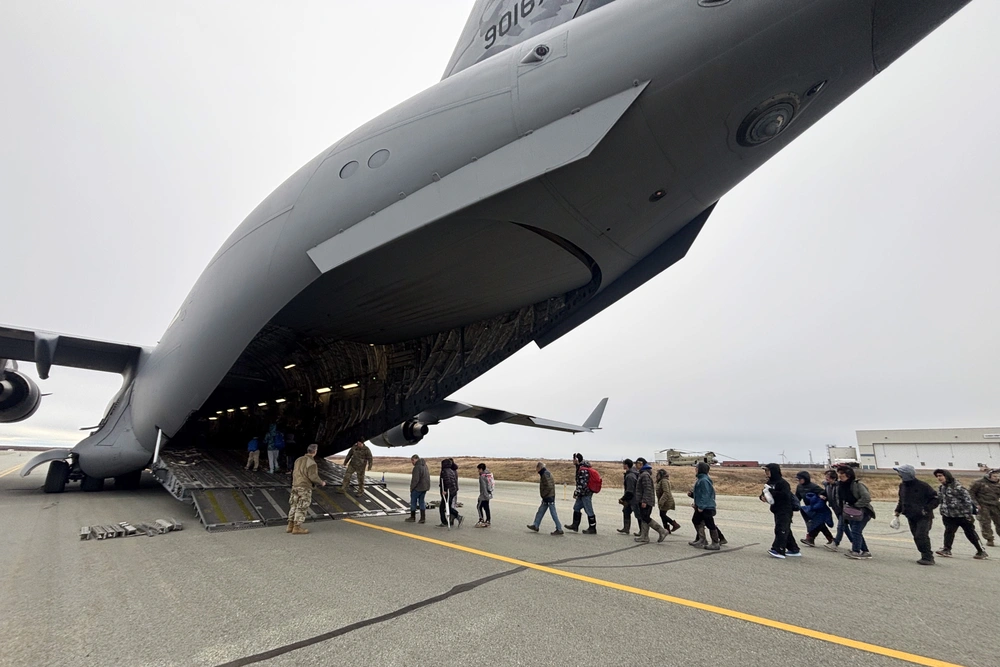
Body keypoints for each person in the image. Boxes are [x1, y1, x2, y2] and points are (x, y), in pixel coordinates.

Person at [934, 469, 989, 560]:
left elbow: (968, 501)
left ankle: (981, 551)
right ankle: (947, 549)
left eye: (941, 476)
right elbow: (940, 499)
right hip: (948, 515)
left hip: (962, 515)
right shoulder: (942, 488)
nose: (939, 478)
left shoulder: (958, 488)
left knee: (970, 533)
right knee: (949, 532)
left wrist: (968, 515)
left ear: (946, 476)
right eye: (937, 476)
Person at [893, 465, 939, 565]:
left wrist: (926, 509)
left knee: (921, 535)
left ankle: (928, 557)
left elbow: (936, 498)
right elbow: (902, 500)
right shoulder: (902, 486)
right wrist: (898, 510)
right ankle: (924, 554)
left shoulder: (923, 486)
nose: (899, 475)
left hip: (924, 516)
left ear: (907, 474)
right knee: (916, 536)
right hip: (910, 515)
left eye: (900, 473)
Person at [760, 463, 802, 558]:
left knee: (780, 529)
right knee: (785, 529)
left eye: (768, 471)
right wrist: (762, 497)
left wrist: (772, 492)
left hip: (785, 509)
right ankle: (793, 549)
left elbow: (785, 495)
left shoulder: (783, 483)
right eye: (765, 471)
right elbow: (764, 492)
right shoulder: (769, 483)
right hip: (776, 509)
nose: (766, 473)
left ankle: (778, 550)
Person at [288, 443, 326, 535]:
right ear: (315, 451)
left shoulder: (298, 460)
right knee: (302, 506)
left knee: (294, 505)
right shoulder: (312, 463)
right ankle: (297, 527)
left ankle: (290, 525)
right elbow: (313, 477)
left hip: (295, 485)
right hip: (304, 487)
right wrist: (322, 482)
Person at [838, 466, 874, 559]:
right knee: (856, 531)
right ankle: (865, 551)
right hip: (850, 512)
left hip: (863, 512)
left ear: (848, 475)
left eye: (842, 473)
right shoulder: (841, 485)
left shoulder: (857, 485)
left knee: (856, 531)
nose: (840, 475)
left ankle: (856, 551)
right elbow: (841, 499)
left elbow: (866, 498)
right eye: (839, 473)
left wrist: (856, 505)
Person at [634, 458, 669, 543]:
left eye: (637, 463)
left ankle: (662, 531)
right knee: (643, 517)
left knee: (645, 517)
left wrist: (644, 501)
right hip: (643, 500)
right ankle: (644, 536)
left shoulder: (645, 475)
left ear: (641, 464)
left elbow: (647, 489)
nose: (635, 465)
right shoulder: (643, 474)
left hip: (646, 501)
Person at [689, 462, 721, 550]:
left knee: (710, 523)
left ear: (700, 469)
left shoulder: (703, 480)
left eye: (696, 468)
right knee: (696, 520)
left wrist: (701, 506)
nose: (695, 469)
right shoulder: (700, 479)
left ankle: (715, 543)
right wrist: (694, 498)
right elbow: (699, 494)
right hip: (701, 505)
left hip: (707, 506)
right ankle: (702, 539)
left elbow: (706, 494)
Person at [821, 469, 854, 552]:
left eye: (828, 477)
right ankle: (855, 543)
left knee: (840, 527)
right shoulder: (828, 486)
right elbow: (826, 493)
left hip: (843, 508)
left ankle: (835, 543)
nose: (826, 479)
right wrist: (823, 496)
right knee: (845, 527)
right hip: (836, 509)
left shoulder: (840, 486)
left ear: (833, 478)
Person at [527, 461, 563, 535]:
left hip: (549, 497)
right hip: (547, 497)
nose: (536, 470)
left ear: (539, 467)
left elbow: (549, 486)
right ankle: (536, 525)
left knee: (553, 513)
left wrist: (544, 494)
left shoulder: (545, 474)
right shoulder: (545, 473)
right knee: (540, 511)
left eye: (536, 468)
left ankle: (559, 528)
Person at [566, 453, 598, 534]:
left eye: (573, 459)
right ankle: (575, 525)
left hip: (586, 493)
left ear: (576, 459)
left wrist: (576, 493)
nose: (572, 461)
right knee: (576, 507)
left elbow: (582, 483)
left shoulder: (583, 470)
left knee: (589, 510)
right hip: (582, 493)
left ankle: (592, 528)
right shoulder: (580, 467)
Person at [969, 468, 1000, 548]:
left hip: (995, 505)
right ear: (989, 476)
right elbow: (971, 493)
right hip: (982, 505)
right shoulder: (979, 482)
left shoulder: (998, 484)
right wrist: (975, 504)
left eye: (998, 476)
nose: (996, 478)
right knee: (985, 523)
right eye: (994, 476)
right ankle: (989, 539)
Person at [437, 458, 463, 528]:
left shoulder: (444, 471)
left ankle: (453, 518)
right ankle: (454, 518)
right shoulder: (451, 471)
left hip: (447, 492)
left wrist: (445, 490)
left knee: (443, 507)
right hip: (452, 491)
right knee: (446, 506)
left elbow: (447, 481)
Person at [655, 468, 682, 534]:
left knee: (662, 514)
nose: (656, 476)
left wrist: (661, 501)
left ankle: (674, 524)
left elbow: (666, 492)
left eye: (658, 475)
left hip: (666, 501)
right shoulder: (662, 481)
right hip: (664, 500)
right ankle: (666, 529)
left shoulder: (664, 481)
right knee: (662, 514)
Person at [405, 454, 430, 524]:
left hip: (417, 488)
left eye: (412, 461)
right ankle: (422, 518)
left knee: (413, 502)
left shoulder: (417, 467)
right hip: (424, 487)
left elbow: (415, 479)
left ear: (414, 459)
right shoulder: (425, 466)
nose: (412, 463)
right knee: (422, 502)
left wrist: (412, 488)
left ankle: (412, 517)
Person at [617, 459, 639, 535]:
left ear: (626, 465)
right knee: (626, 511)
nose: (623, 466)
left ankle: (642, 531)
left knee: (638, 515)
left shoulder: (630, 476)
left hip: (633, 498)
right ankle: (626, 528)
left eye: (623, 464)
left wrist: (623, 499)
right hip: (631, 498)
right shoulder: (631, 473)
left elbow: (630, 490)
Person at [476, 463, 494, 527]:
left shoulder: (482, 477)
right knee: (486, 508)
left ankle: (481, 519)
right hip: (489, 493)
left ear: (481, 469)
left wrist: (484, 496)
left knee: (478, 506)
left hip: (484, 495)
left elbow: (483, 487)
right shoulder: (488, 475)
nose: (478, 471)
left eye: (478, 469)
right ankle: (488, 520)